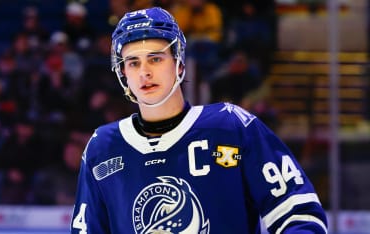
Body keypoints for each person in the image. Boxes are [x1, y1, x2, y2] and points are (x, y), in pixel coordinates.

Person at [71, 7, 328, 234]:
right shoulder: (101, 148)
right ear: (123, 73)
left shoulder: (231, 127)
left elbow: (299, 213)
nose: (145, 72)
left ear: (179, 63)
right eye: (133, 63)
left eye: (156, 58)